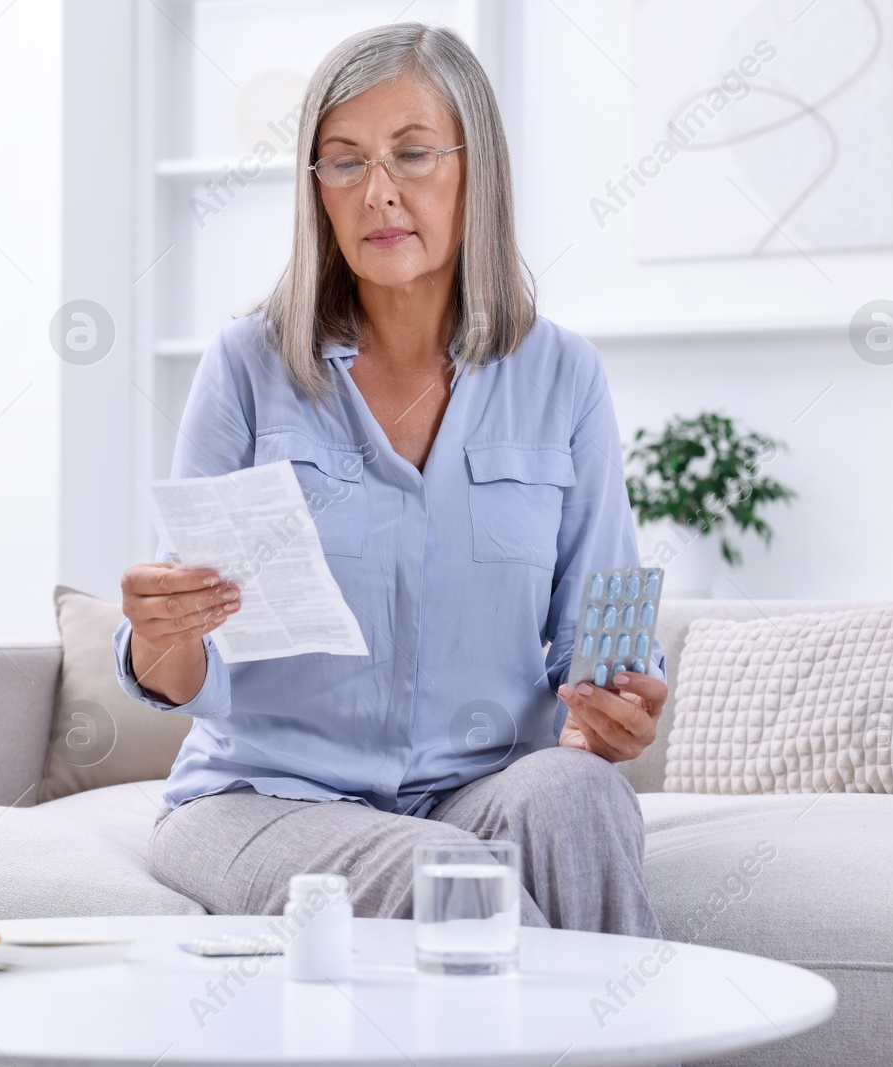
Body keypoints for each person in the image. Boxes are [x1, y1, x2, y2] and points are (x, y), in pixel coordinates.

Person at [112, 21, 668, 937]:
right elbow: (187, 670)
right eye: (343, 163)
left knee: (579, 793)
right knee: (444, 876)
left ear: (473, 167)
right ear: (315, 188)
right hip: (263, 799)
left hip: (473, 788)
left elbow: (596, 645)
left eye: (411, 154)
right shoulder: (246, 367)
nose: (378, 193)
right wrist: (154, 635)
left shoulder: (562, 375)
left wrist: (615, 707)